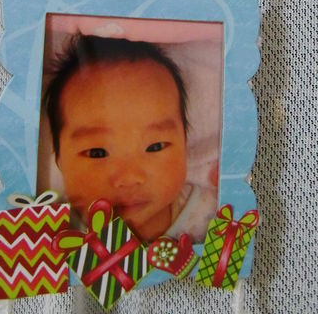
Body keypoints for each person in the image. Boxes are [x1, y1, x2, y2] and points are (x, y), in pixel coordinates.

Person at [43, 33, 216, 242]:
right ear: (59, 158)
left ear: (184, 145)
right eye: (97, 153)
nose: (129, 178)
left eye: (155, 146)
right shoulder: (52, 231)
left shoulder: (209, 215)